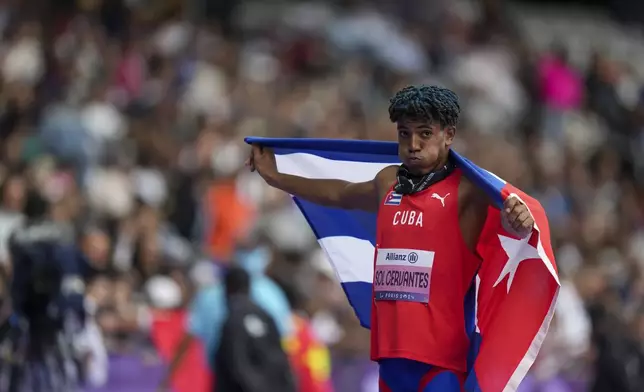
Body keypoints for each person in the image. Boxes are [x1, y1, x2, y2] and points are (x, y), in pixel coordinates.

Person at [247, 85, 536, 392]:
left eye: (425, 134)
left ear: (448, 135)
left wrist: (519, 220)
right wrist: (275, 177)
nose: (413, 144)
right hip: (390, 361)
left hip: (440, 366)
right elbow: (338, 193)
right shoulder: (388, 181)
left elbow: (511, 221)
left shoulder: (468, 193)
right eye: (404, 134)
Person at [0, 191, 88, 391]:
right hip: (56, 304)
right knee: (58, 359)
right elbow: (75, 270)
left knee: (21, 358)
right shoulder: (63, 232)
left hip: (28, 306)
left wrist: (16, 303)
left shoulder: (17, 234)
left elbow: (16, 275)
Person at [215, 266, 296, 392]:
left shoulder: (233, 320)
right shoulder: (265, 316)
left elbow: (235, 364)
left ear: (227, 289)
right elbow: (282, 358)